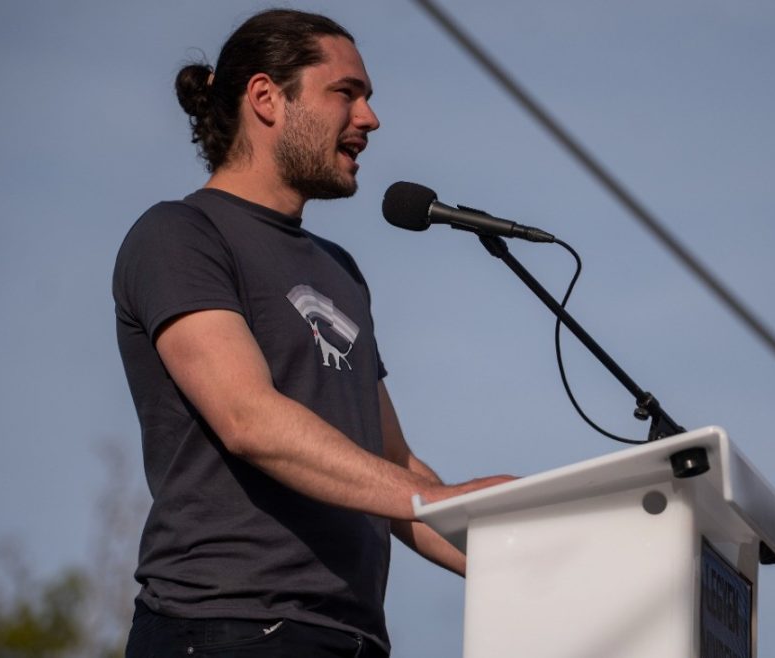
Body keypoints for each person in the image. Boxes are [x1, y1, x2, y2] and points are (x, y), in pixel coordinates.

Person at [114, 9, 513, 657]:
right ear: (267, 98)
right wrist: (431, 498)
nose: (369, 118)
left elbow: (389, 464)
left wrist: (520, 555)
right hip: (226, 626)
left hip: (351, 637)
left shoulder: (341, 270)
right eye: (346, 93)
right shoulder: (180, 234)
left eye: (368, 98)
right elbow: (248, 418)